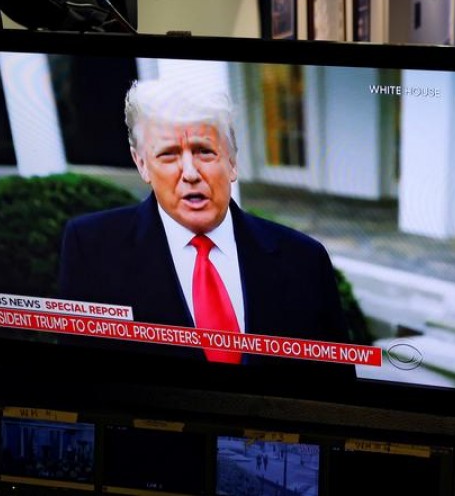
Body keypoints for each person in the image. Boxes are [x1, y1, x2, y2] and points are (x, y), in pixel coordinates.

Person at [58, 78, 353, 368]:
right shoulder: (91, 250)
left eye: (203, 151)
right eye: (169, 154)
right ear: (142, 164)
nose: (190, 172)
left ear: (232, 160)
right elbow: (82, 384)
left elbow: (337, 396)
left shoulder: (305, 260)